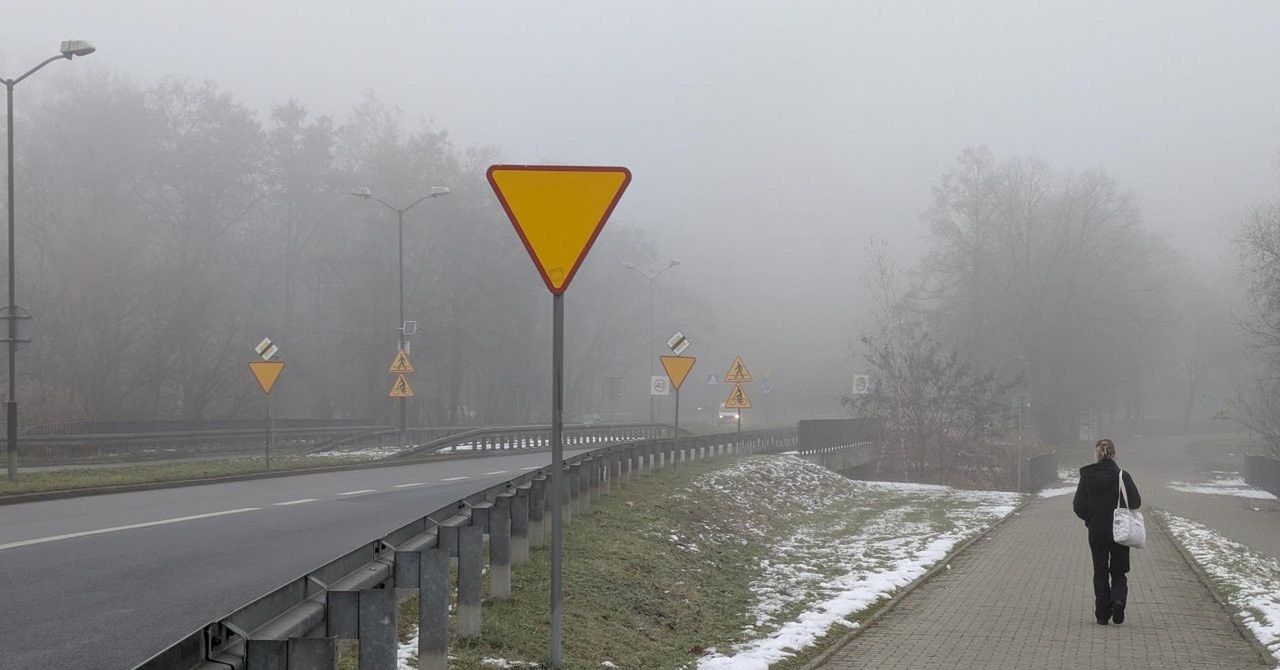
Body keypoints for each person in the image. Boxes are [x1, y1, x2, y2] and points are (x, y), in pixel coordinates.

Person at [1072, 438, 1141, 625]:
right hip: (1120, 530)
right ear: (1114, 453)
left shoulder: (1087, 476)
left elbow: (1078, 505)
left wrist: (1091, 518)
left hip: (1097, 531)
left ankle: (1102, 613)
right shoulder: (1122, 476)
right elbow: (1136, 502)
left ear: (1096, 453)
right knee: (1118, 570)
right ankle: (1118, 600)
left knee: (1100, 569)